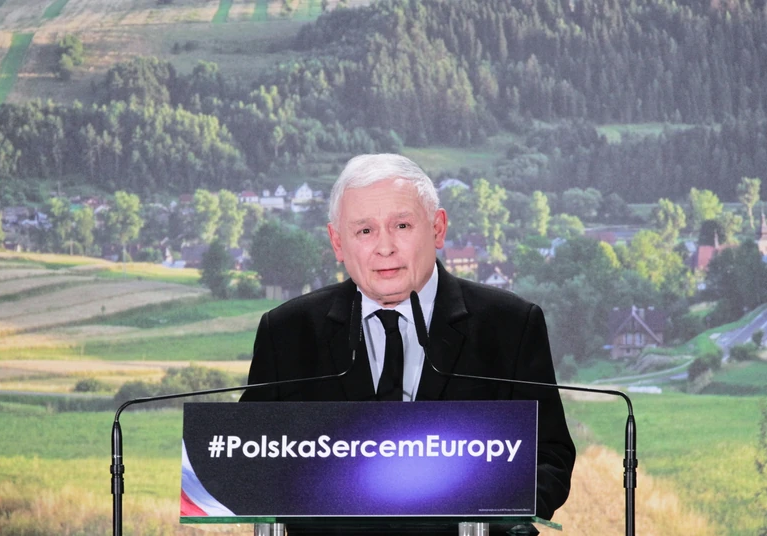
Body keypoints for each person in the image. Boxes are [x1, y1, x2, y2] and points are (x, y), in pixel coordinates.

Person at [241, 154, 575, 530]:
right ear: (337, 242)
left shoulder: (510, 324)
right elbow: (248, 462)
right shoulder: (286, 331)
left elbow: (550, 458)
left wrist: (494, 510)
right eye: (364, 231)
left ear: (437, 228)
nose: (385, 247)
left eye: (401, 225)